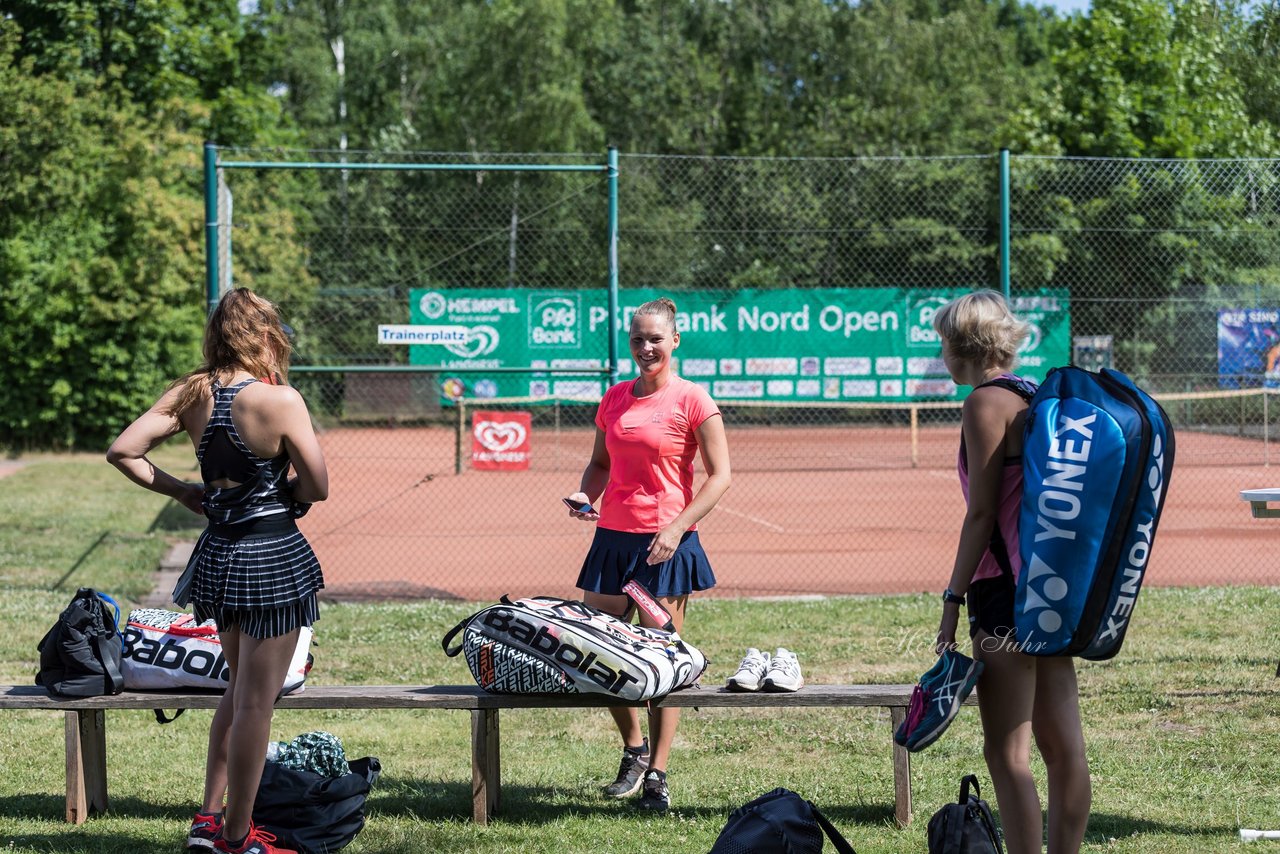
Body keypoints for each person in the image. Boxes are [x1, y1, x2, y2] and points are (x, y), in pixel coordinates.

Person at [107, 287, 327, 854]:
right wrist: (290, 493)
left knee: (238, 690)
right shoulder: (281, 400)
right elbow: (319, 485)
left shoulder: (193, 391)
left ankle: (210, 819)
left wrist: (184, 491)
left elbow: (124, 450)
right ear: (265, 333)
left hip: (219, 555)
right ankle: (236, 836)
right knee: (258, 700)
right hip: (273, 556)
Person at [932, 290, 1091, 854]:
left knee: (1008, 752)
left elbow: (981, 513)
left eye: (943, 344)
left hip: (1004, 593)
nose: (941, 355)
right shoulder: (1037, 396)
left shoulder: (983, 405)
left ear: (962, 347)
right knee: (1065, 748)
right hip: (1054, 586)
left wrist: (953, 597)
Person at [565, 296, 731, 813]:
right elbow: (598, 464)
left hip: (666, 547)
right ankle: (633, 749)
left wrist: (677, 528)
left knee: (665, 660)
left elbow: (720, 476)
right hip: (612, 542)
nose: (645, 347)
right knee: (600, 655)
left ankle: (658, 772)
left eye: (655, 338)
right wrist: (583, 495)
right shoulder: (614, 398)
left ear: (675, 341)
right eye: (637, 338)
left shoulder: (693, 400)